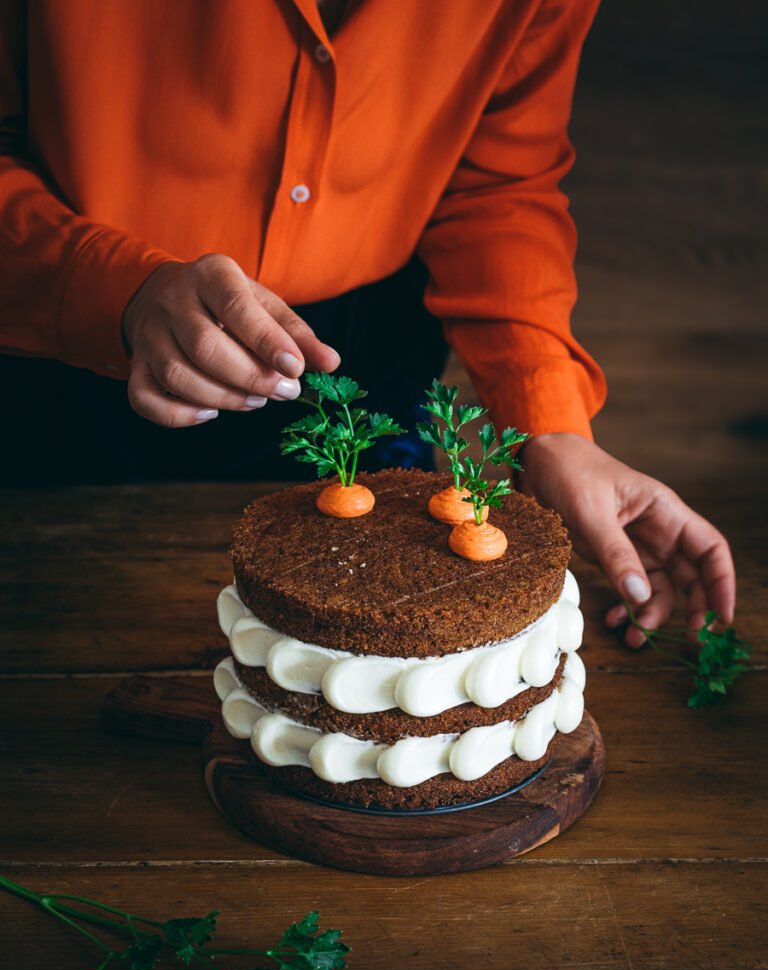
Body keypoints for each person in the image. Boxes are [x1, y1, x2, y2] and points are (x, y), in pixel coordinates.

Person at [0, 0, 735, 648]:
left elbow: (499, 180)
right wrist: (115, 293)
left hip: (367, 364)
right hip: (56, 362)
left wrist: (552, 425)